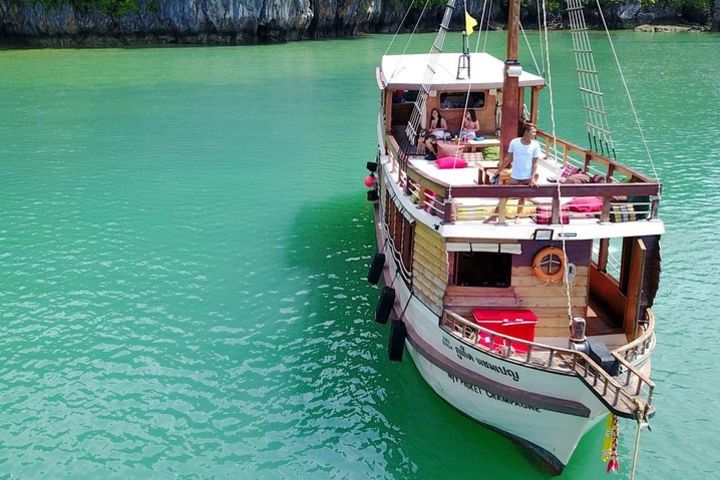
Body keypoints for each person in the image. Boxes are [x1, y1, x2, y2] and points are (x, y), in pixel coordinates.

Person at [484, 123, 542, 223]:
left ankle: (517, 216)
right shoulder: (514, 142)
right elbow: (508, 158)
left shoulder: (536, 145)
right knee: (505, 195)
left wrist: (532, 178)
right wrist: (499, 171)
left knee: (522, 197)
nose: (534, 134)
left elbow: (535, 163)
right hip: (515, 175)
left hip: (527, 176)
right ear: (526, 132)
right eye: (533, 132)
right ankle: (495, 215)